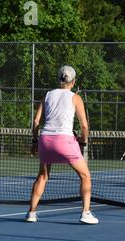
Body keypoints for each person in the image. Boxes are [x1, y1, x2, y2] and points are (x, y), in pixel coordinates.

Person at [25, 65, 98, 224]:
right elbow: (84, 126)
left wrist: (35, 141)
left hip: (45, 139)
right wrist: (83, 140)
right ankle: (86, 213)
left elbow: (36, 121)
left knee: (42, 176)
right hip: (64, 141)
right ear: (73, 82)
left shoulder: (47, 95)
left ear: (59, 79)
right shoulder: (76, 98)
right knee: (85, 175)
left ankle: (31, 213)